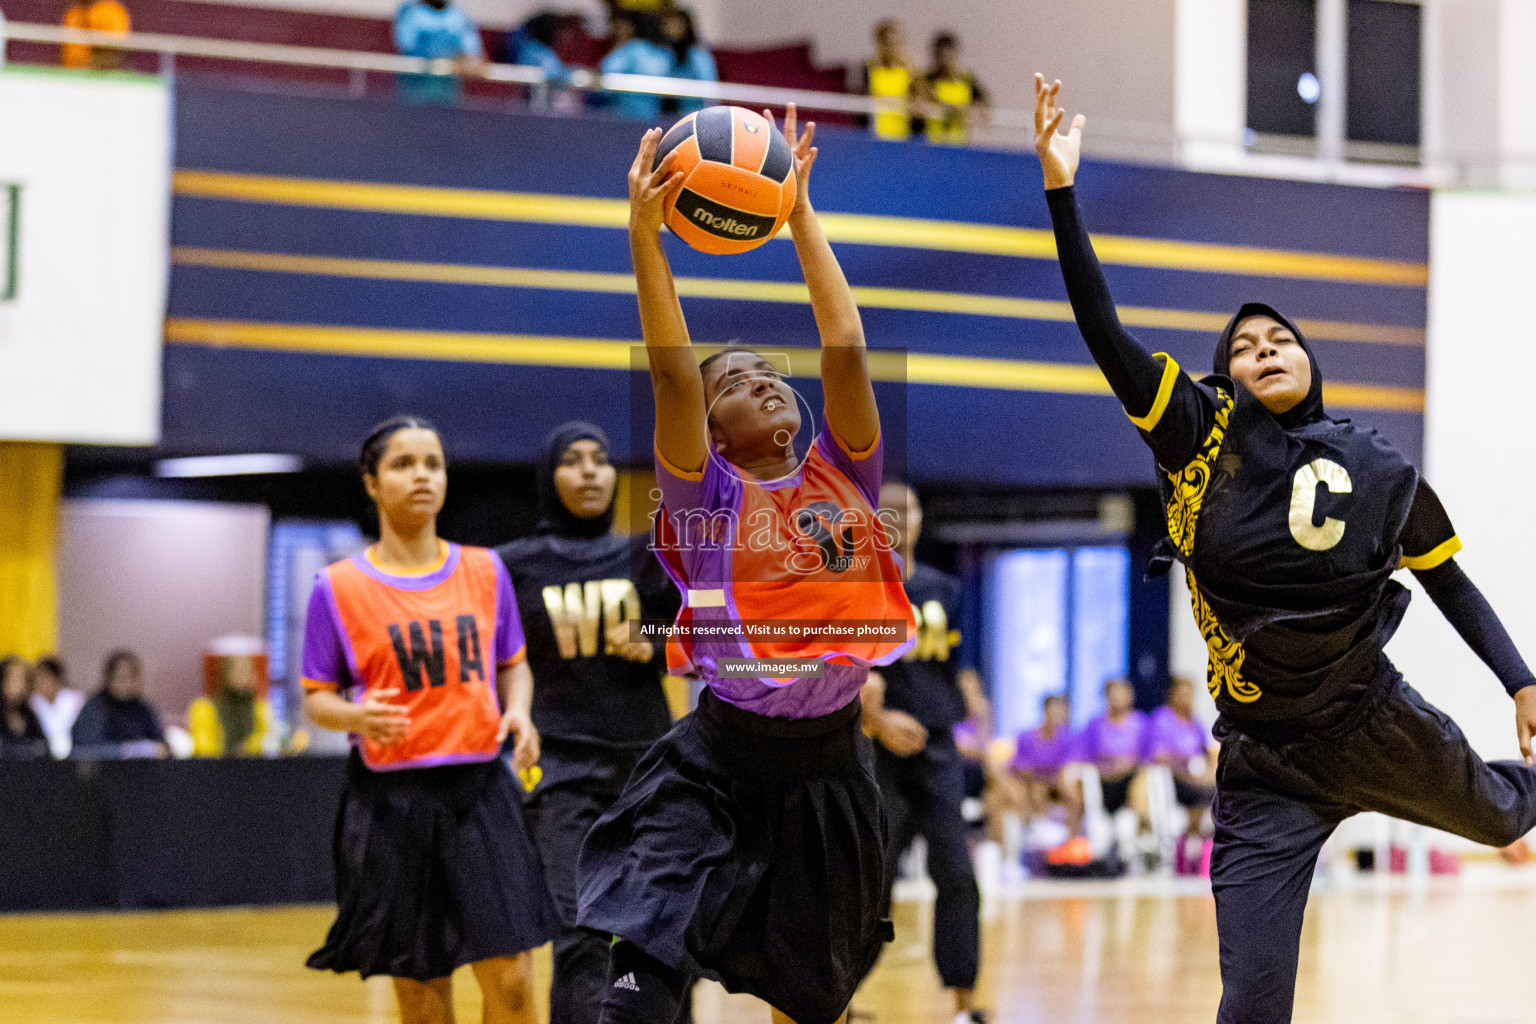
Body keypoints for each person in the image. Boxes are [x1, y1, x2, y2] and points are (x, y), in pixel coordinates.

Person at [1034, 74, 1536, 1024]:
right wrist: (1062, 192)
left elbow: (1449, 582)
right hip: (1266, 761)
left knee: (1507, 813)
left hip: (1371, 720)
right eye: (1243, 343)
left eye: (1280, 338)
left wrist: (1521, 680)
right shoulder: (1197, 432)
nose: (1262, 347)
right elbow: (1103, 332)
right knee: (1255, 1003)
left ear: (1310, 363)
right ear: (1223, 374)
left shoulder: (1373, 463)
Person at [577, 106, 917, 1024]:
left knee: (812, 1007)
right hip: (719, 762)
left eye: (771, 372)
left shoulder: (844, 472)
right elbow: (671, 375)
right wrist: (646, 237)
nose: (762, 381)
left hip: (829, 767)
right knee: (637, 995)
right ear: (714, 433)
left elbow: (843, 344)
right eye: (735, 382)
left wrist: (802, 216)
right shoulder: (707, 503)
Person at [300, 417, 557, 1023]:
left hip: (481, 792)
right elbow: (316, 696)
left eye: (433, 463)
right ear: (371, 482)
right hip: (392, 804)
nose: (422, 475)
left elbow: (513, 665)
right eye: (403, 464)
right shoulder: (336, 588)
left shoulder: (484, 570)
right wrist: (355, 715)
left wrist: (518, 711)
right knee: (420, 992)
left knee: (513, 979)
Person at [496, 421, 682, 1024]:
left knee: (662, 933)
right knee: (582, 930)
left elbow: (711, 638)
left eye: (600, 460)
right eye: (572, 460)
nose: (589, 472)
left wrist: (653, 642)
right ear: (549, 477)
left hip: (650, 770)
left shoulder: (650, 556)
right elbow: (492, 658)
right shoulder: (514, 567)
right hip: (562, 773)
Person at [862, 481, 987, 1024]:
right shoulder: (854, 588)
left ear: (918, 520)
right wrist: (877, 720)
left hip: (937, 751)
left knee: (958, 875)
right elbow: (838, 674)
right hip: (875, 758)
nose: (899, 517)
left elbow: (960, 669)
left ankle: (963, 1005)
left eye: (908, 508)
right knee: (870, 884)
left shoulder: (944, 589)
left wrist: (980, 714)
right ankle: (834, 999)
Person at [1146, 675, 1217, 872]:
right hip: (1173, 781)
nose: (1187, 698)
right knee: (1203, 793)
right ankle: (1188, 848)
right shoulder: (1163, 719)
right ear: (1173, 694)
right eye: (1183, 693)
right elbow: (1159, 755)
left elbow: (1206, 752)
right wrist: (1185, 767)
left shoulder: (1195, 723)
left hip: (1196, 779)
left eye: (1190, 694)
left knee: (1212, 791)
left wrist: (1209, 772)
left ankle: (1198, 849)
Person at [1008, 694, 1084, 837]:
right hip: (1030, 784)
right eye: (1053, 710)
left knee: (1073, 791)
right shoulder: (1026, 737)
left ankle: (1072, 839)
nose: (1057, 714)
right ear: (1045, 710)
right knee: (1036, 790)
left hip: (1056, 784)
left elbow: (1068, 766)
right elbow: (1022, 769)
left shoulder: (1068, 738)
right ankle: (1037, 833)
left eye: (1060, 710)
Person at [71, 650, 168, 759]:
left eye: (132, 677)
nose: (127, 684)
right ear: (109, 678)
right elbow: (83, 751)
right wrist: (130, 750)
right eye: (121, 677)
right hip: (105, 773)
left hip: (143, 773)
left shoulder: (144, 709)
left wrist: (151, 750)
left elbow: (161, 747)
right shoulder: (96, 708)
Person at [1075, 678, 1147, 817]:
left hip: (1131, 781)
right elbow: (1083, 756)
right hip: (1102, 782)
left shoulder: (1141, 724)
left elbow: (1148, 757)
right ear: (1106, 696)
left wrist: (1129, 764)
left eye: (1122, 695)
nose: (1118, 699)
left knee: (1144, 781)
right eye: (1114, 695)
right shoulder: (1095, 725)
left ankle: (1143, 829)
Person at [393, 0, 486, 105]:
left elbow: (473, 53)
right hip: (414, 89)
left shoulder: (458, 16)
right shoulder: (412, 13)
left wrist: (468, 62)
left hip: (446, 92)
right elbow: (406, 44)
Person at [188, 653, 276, 758]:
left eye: (247, 669)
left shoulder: (260, 708)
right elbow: (204, 750)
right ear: (225, 671)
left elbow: (267, 743)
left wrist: (248, 747)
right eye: (238, 669)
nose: (244, 675)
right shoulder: (204, 709)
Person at [600, 12, 673, 122]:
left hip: (627, 114)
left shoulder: (632, 48)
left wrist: (618, 46)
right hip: (651, 116)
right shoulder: (663, 52)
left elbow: (608, 67)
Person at [921, 33, 988, 145]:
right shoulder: (927, 80)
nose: (944, 61)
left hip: (959, 145)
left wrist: (964, 110)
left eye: (948, 56)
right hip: (933, 145)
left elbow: (983, 107)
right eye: (940, 56)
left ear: (955, 54)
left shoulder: (967, 80)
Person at [862, 19, 915, 141]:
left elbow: (919, 100)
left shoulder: (909, 72)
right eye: (888, 43)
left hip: (902, 137)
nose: (892, 48)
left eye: (897, 43)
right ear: (880, 44)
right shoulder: (870, 69)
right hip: (875, 136)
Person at [29, 654, 84, 759]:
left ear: (56, 677)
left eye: (45, 677)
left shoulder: (75, 699)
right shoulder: (32, 703)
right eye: (37, 678)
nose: (41, 682)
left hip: (75, 756)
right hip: (45, 758)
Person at [663, 8, 715, 115]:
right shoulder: (665, 53)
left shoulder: (699, 56)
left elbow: (709, 93)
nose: (673, 30)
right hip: (669, 115)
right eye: (669, 25)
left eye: (678, 25)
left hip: (695, 113)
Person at [1, 656, 49, 760]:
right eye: (13, 679)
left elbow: (45, 752)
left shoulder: (31, 718)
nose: (20, 687)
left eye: (24, 680)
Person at [61, 0, 130, 71]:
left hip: (101, 73)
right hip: (72, 72)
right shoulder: (73, 14)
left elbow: (114, 45)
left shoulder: (112, 11)